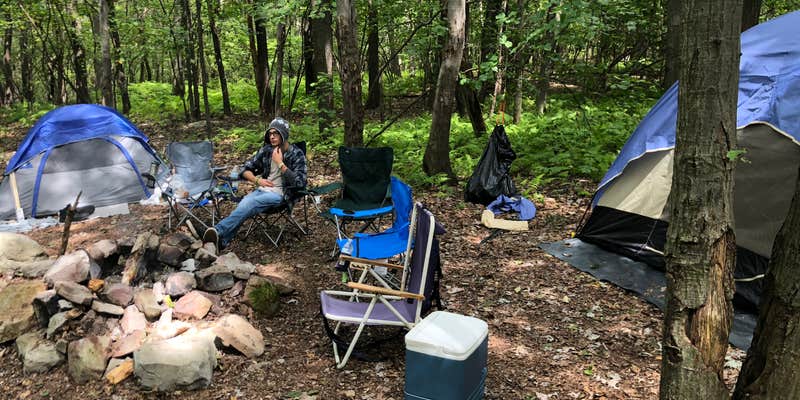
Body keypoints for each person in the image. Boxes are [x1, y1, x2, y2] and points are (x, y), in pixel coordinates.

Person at [203, 117, 307, 249]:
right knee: (244, 204)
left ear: (284, 134)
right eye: (270, 134)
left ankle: (217, 230)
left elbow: (300, 183)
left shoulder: (296, 154)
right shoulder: (267, 150)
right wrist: (257, 180)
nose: (272, 137)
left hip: (282, 195)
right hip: (262, 190)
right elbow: (244, 170)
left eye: (276, 133)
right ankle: (221, 242)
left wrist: (280, 163)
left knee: (249, 203)